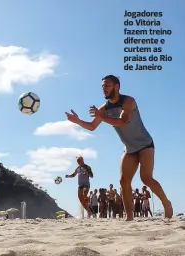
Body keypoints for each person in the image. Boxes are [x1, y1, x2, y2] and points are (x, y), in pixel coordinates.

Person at [65, 74, 172, 221]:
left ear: (116, 87)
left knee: (146, 178)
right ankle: (129, 217)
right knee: (123, 181)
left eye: (107, 86)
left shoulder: (129, 101)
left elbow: (122, 121)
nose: (104, 89)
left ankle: (166, 203)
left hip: (145, 145)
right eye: (102, 86)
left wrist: (101, 116)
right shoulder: (104, 108)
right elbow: (91, 126)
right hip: (129, 149)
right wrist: (77, 121)